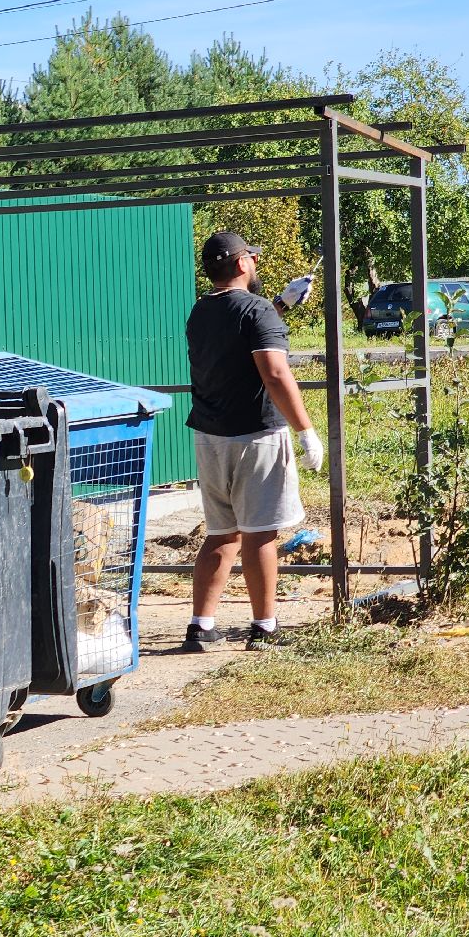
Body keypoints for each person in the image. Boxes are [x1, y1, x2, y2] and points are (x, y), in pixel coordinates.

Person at [181, 231, 322, 653]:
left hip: (210, 438)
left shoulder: (200, 311)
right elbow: (274, 372)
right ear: (242, 264)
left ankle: (200, 627)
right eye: (253, 258)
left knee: (221, 533)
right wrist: (306, 430)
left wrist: (280, 305)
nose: (256, 264)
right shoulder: (258, 311)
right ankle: (264, 629)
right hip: (256, 437)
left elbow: (238, 335)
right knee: (261, 534)